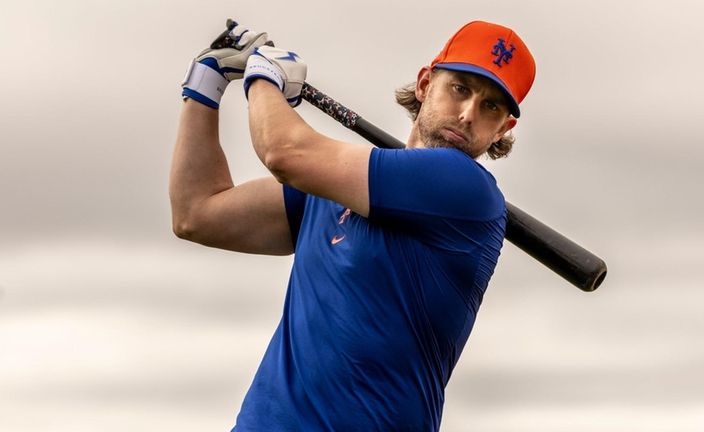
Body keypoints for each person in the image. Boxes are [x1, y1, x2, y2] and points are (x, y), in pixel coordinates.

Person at [171, 19, 536, 431]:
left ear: (504, 128)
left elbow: (284, 153)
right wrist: (204, 88)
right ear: (424, 84)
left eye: (490, 106)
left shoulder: (465, 190)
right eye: (460, 89)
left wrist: (263, 75)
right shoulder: (332, 185)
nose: (468, 114)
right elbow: (197, 213)